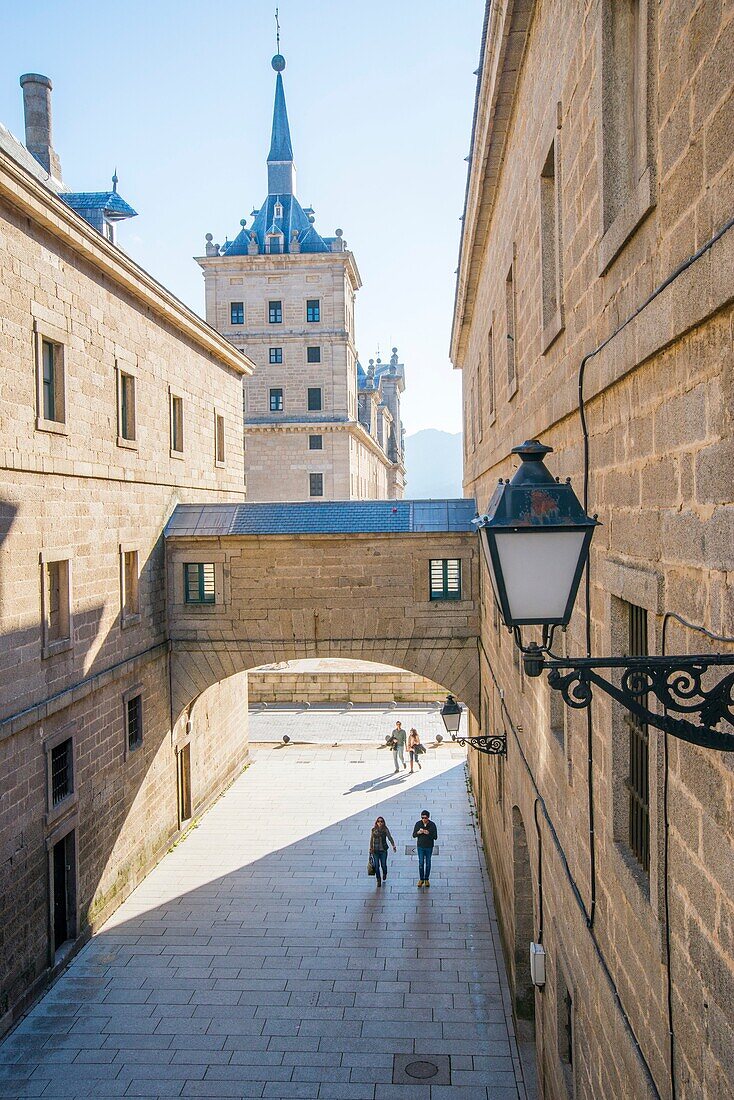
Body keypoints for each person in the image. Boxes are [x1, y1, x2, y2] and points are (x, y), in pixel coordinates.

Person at [412, 809, 438, 887]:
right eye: (422, 818)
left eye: (425, 818)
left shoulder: (432, 825)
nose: (424, 819)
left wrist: (428, 833)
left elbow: (435, 837)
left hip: (429, 846)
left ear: (428, 818)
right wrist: (418, 833)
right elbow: (414, 835)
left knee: (428, 863)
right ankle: (421, 879)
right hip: (420, 846)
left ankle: (426, 879)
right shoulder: (418, 824)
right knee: (421, 863)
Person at [369, 816, 396, 887]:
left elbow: (390, 837)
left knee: (383, 865)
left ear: (383, 822)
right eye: (378, 821)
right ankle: (378, 879)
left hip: (383, 850)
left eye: (381, 821)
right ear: (376, 822)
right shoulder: (373, 830)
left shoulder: (385, 830)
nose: (380, 823)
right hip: (375, 851)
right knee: (377, 866)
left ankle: (385, 873)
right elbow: (371, 840)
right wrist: (371, 848)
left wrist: (393, 845)